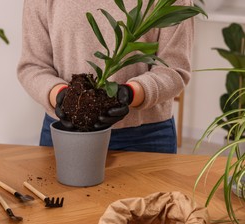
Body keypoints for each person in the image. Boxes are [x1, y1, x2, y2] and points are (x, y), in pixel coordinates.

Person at [17, 0, 195, 154]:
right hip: (64, 132)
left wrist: (131, 93)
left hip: (144, 136)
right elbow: (33, 65)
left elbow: (174, 70)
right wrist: (63, 97)